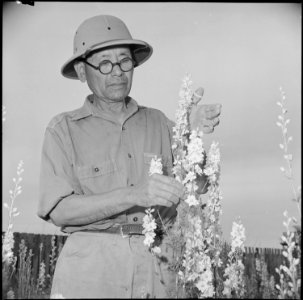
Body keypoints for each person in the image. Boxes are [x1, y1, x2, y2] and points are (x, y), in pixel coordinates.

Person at [37, 15, 221, 298]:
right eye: (105, 63)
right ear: (82, 71)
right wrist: (135, 194)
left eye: (124, 61)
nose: (118, 72)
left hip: (159, 265)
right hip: (91, 268)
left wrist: (190, 137)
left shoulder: (159, 123)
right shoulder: (62, 130)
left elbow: (199, 187)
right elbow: (60, 210)